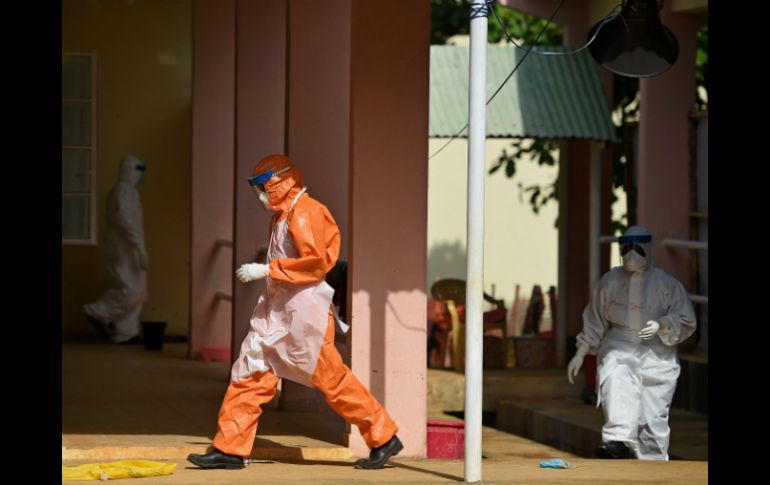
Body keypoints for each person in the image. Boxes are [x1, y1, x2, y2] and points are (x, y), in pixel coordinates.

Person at [187, 154, 402, 470]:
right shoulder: (282, 215)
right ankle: (230, 448)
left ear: (281, 181)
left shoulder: (305, 212)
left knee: (332, 380)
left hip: (305, 314)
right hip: (278, 311)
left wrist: (266, 270)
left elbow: (316, 264)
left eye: (264, 186)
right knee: (249, 371)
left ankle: (383, 436)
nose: (260, 194)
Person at [567, 226, 696, 460]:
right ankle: (616, 441)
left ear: (648, 249)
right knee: (616, 384)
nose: (631, 254)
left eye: (637, 248)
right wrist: (581, 352)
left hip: (657, 352)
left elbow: (686, 318)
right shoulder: (609, 282)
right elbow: (595, 319)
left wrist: (662, 325)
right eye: (626, 248)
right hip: (618, 344)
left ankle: (653, 462)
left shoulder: (665, 284)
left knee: (652, 416)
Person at [84, 155, 148, 344]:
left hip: (128, 248)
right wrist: (139, 248)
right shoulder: (124, 191)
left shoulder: (127, 192)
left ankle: (125, 331)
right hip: (124, 249)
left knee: (137, 290)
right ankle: (97, 311)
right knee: (130, 289)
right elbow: (126, 222)